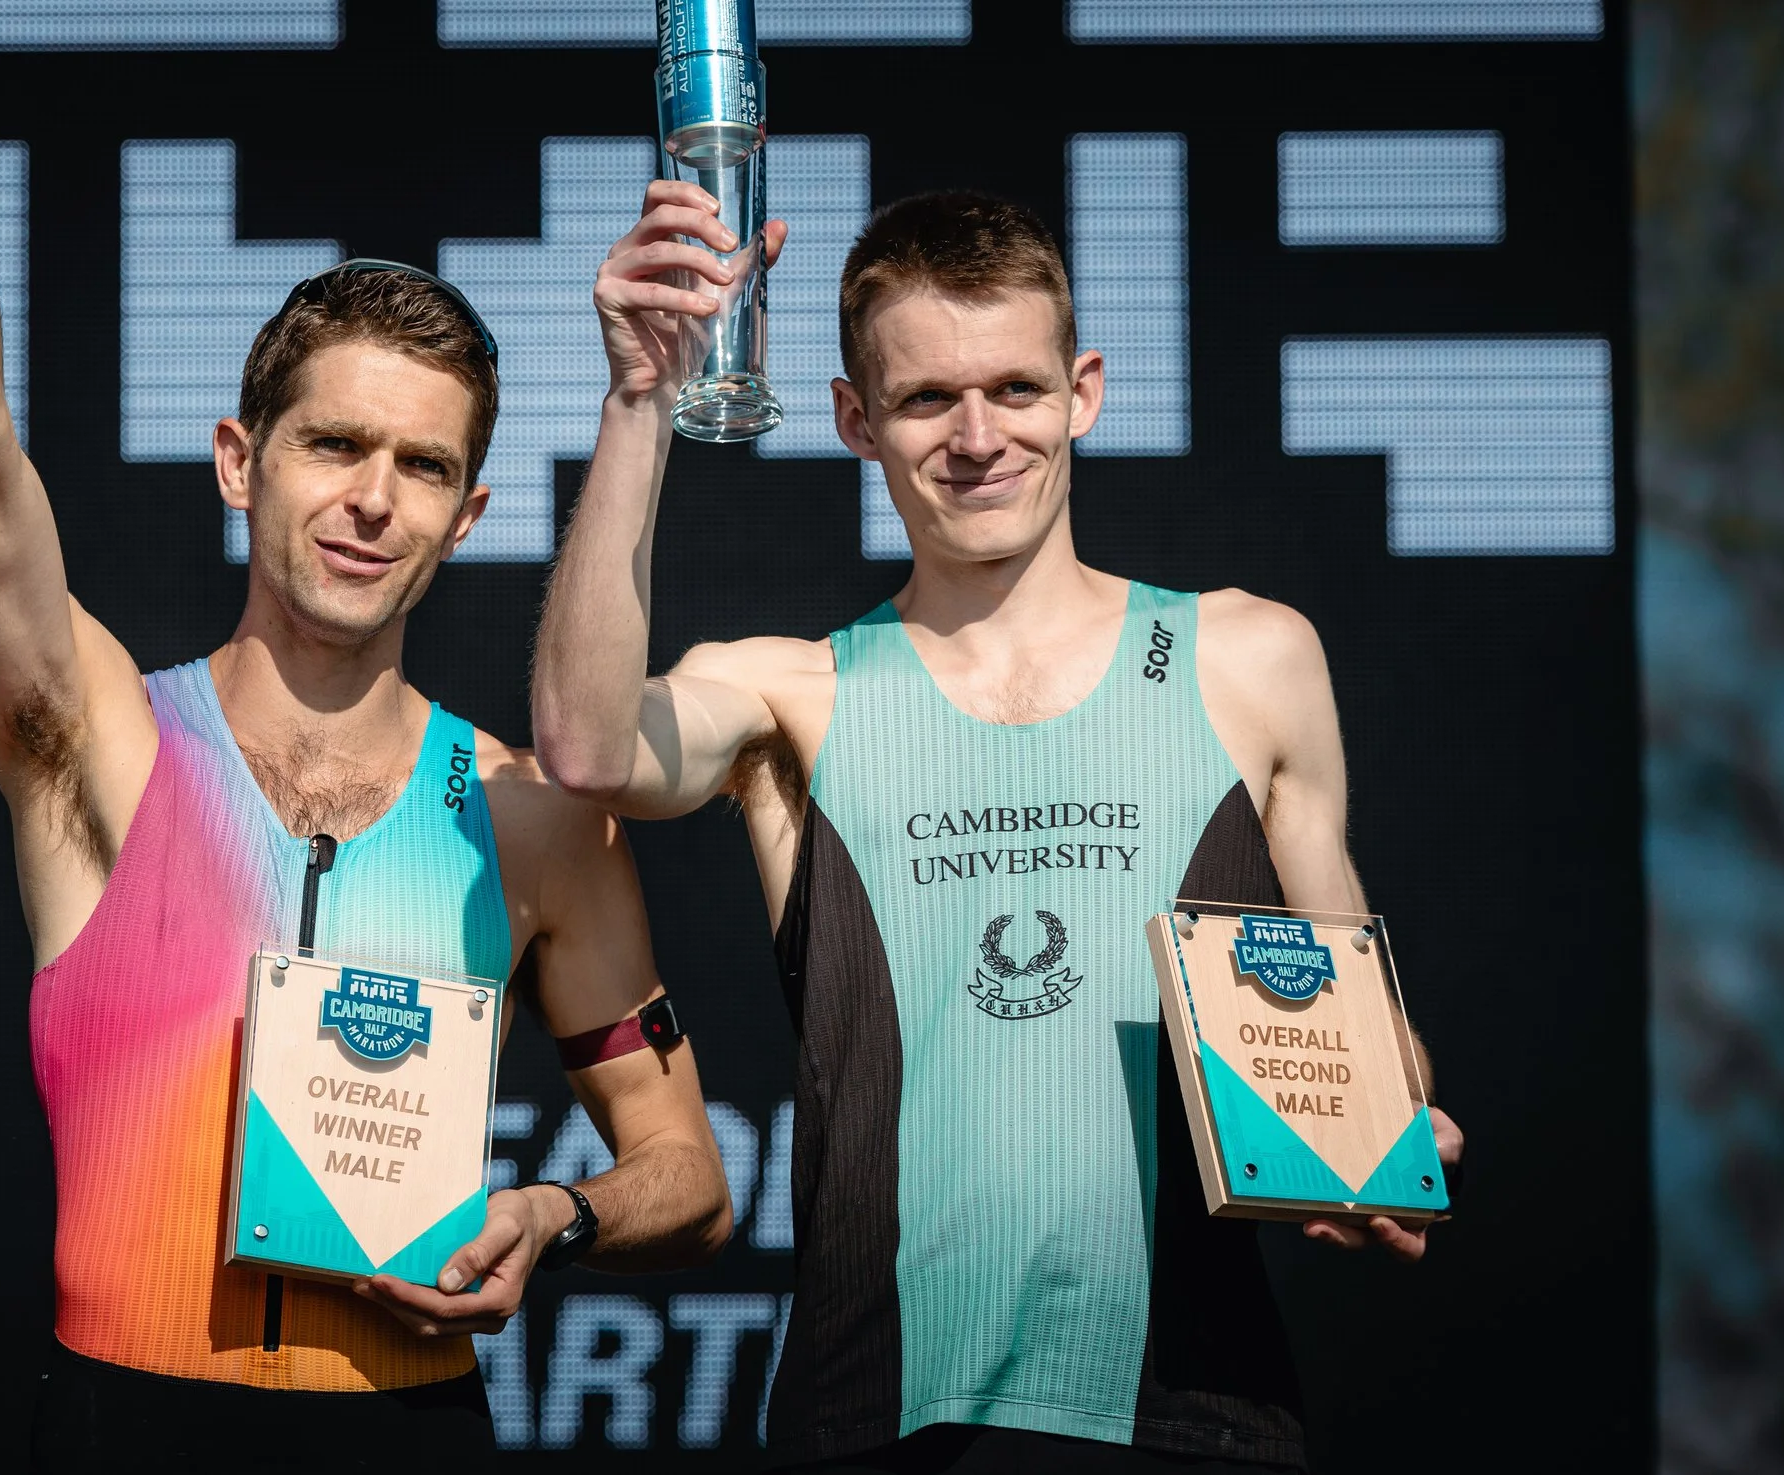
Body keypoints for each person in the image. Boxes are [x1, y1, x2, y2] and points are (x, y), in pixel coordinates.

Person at [0, 0, 731, 1472]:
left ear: (472, 514)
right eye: (334, 444)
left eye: (424, 465)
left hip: (414, 1428)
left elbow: (686, 1172)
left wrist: (557, 1210)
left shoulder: (531, 816)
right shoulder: (96, 740)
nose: (374, 496)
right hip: (118, 1422)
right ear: (244, 462)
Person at [530, 183, 1468, 1472]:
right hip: (882, 1410)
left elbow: (1365, 1033)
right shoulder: (789, 693)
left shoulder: (1249, 659)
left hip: (1192, 1413)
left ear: (1082, 390)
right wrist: (641, 402)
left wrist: (1390, 1125)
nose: (977, 437)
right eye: (926, 400)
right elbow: (583, 747)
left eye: (1016, 390)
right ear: (857, 420)